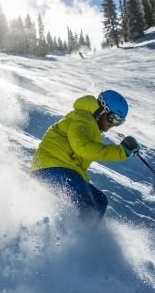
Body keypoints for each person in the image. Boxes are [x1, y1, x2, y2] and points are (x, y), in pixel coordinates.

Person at [31, 90, 140, 222]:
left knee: (99, 201)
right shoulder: (82, 118)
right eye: (113, 118)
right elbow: (83, 148)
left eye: (119, 121)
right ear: (101, 110)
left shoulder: (90, 125)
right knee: (89, 204)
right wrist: (121, 151)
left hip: (62, 169)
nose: (113, 124)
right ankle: (76, 237)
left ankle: (86, 237)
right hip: (52, 168)